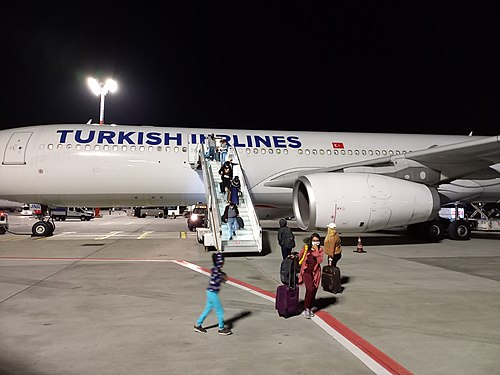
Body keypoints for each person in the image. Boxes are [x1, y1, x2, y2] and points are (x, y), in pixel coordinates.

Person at [194, 252, 233, 335]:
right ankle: (221, 328)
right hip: (212, 294)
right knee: (220, 311)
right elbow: (218, 278)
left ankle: (198, 325)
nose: (223, 263)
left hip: (210, 292)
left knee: (207, 309)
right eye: (222, 261)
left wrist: (222, 276)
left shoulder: (216, 269)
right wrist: (222, 277)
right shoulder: (216, 270)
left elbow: (221, 278)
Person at [297, 233, 324, 319]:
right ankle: (306, 308)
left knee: (314, 290)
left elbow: (320, 261)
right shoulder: (306, 248)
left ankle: (309, 307)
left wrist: (316, 251)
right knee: (310, 289)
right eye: (314, 241)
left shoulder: (320, 250)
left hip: (315, 273)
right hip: (306, 272)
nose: (315, 242)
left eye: (317, 241)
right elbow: (299, 256)